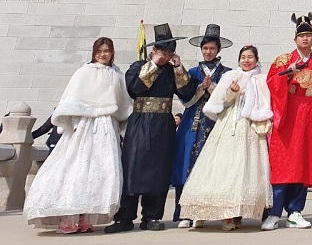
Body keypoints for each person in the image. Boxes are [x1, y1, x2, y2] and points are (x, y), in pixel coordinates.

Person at [24, 37, 133, 234]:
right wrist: (71, 124)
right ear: (94, 52)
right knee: (77, 168)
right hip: (84, 125)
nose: (103, 54)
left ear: (112, 52)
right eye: (99, 51)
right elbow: (71, 99)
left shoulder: (117, 75)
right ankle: (68, 217)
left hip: (107, 126)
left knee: (100, 171)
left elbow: (123, 103)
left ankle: (85, 216)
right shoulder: (84, 72)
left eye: (107, 51)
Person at [105, 24, 199, 233]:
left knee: (159, 170)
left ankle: (152, 216)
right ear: (153, 50)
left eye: (168, 52)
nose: (165, 56)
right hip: (140, 123)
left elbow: (187, 93)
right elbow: (134, 89)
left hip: (163, 125)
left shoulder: (171, 71)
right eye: (161, 52)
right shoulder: (138, 66)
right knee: (132, 167)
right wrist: (154, 65)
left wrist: (177, 67)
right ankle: (125, 217)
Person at [179, 45, 273, 230]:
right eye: (243, 57)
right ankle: (210, 212)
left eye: (250, 57)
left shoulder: (262, 79)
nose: (246, 60)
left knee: (246, 169)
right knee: (222, 167)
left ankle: (236, 212)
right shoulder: (230, 76)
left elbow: (265, 102)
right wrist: (233, 92)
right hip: (229, 124)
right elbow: (220, 101)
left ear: (256, 59)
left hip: (250, 128)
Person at [262, 13, 312, 230]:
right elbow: (271, 83)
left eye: (309, 35)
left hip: (308, 114)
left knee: (302, 163)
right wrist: (288, 73)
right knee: (283, 164)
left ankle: (295, 211)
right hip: (288, 113)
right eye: (302, 36)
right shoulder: (283, 60)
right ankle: (274, 213)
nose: (305, 39)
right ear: (295, 39)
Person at [171, 24, 232, 228]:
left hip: (215, 123)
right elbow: (185, 96)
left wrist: (212, 88)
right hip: (192, 122)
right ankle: (185, 213)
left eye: (212, 48)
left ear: (218, 50)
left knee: (213, 167)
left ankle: (206, 211)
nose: (208, 52)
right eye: (205, 48)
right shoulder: (193, 71)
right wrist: (200, 88)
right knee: (186, 163)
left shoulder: (227, 73)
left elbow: (228, 99)